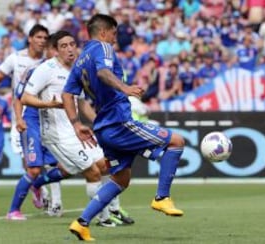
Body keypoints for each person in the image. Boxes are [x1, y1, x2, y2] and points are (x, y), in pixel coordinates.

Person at [63, 14, 185, 241]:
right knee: (177, 142)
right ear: (103, 32)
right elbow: (103, 72)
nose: (115, 38)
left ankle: (81, 223)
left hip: (103, 127)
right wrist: (124, 87)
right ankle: (161, 198)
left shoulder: (79, 62)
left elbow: (67, 93)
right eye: (114, 33)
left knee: (121, 179)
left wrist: (76, 123)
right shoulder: (103, 48)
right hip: (119, 122)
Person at [21, 30, 133, 227]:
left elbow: (82, 104)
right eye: (64, 46)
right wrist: (49, 105)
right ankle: (104, 218)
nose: (70, 49)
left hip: (75, 130)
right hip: (57, 134)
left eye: (72, 44)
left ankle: (113, 210)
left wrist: (101, 123)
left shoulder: (77, 70)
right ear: (55, 50)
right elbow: (25, 97)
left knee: (106, 164)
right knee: (92, 172)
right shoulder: (46, 69)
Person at [0, 24, 61, 219]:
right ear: (30, 38)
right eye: (38, 37)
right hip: (22, 118)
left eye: (45, 38)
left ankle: (50, 199)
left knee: (53, 164)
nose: (42, 41)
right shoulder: (16, 59)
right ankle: (31, 196)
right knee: (30, 165)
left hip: (45, 119)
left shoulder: (48, 63)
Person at [6, 34, 63, 220]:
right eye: (56, 48)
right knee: (34, 168)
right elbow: (19, 96)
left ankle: (39, 187)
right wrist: (19, 119)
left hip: (53, 122)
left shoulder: (68, 72)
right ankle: (13, 210)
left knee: (63, 166)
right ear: (49, 50)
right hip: (32, 121)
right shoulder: (34, 69)